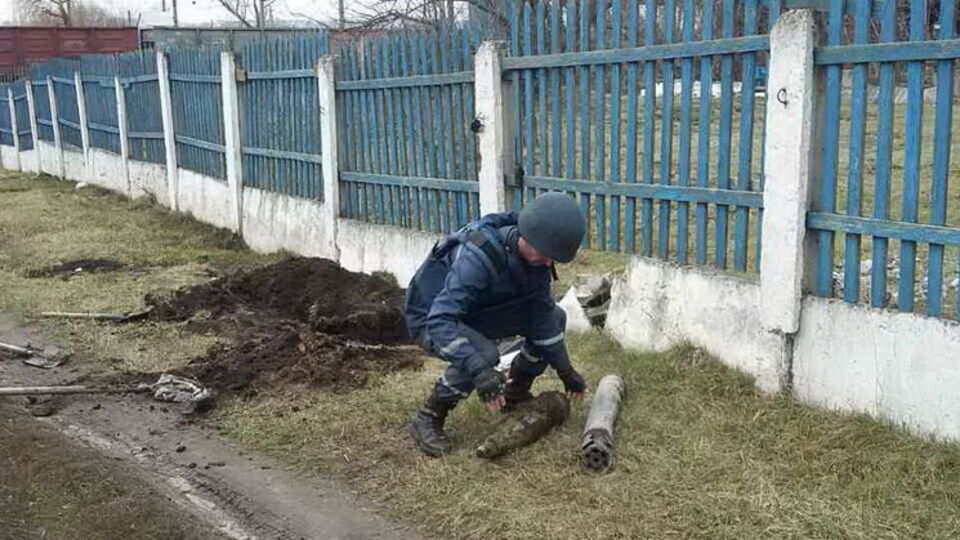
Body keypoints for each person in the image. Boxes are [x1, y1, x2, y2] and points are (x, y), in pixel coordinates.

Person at [404, 192, 589, 457]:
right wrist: (480, 370)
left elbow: (542, 316)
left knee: (556, 317)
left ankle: (515, 391)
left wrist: (565, 370)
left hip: (475, 311)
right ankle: (429, 416)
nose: (549, 263)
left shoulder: (535, 256)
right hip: (431, 317)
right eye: (545, 255)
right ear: (527, 236)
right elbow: (440, 319)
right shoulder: (478, 257)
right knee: (484, 355)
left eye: (553, 258)